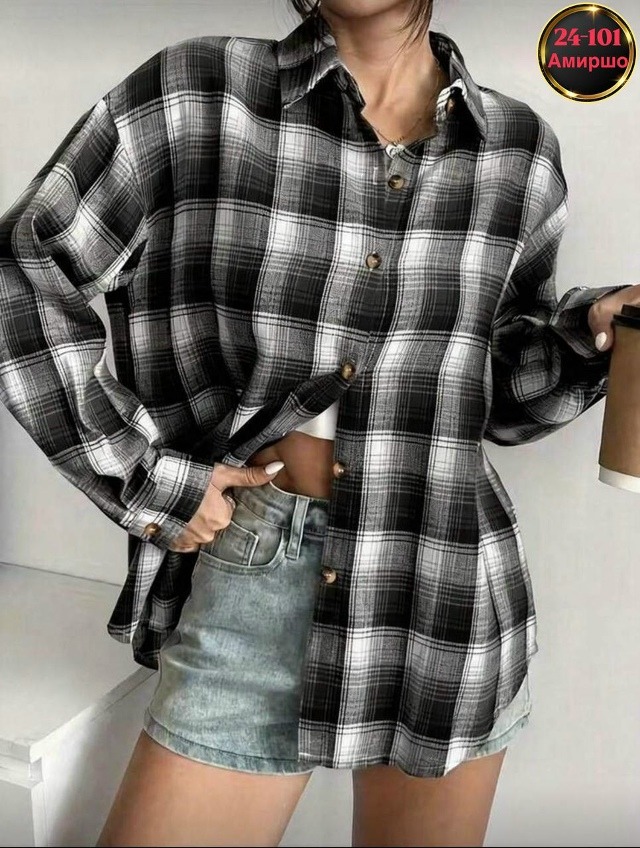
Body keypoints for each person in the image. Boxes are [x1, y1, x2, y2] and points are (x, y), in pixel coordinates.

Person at [0, 0, 637, 845]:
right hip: (256, 570)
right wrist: (150, 480)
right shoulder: (196, 94)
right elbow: (23, 273)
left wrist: (588, 334)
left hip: (446, 578)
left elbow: (492, 395)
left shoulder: (519, 152)